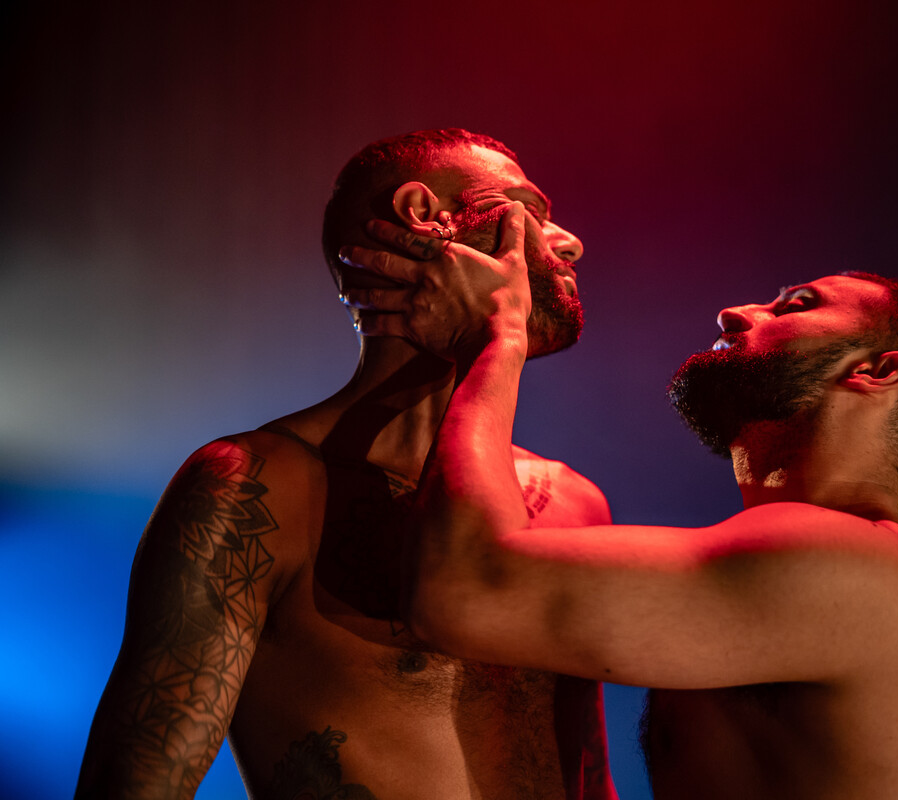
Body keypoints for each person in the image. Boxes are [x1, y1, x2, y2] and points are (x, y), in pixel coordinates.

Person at [339, 209, 898, 799]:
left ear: (877, 372)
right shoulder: (859, 570)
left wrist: (494, 337)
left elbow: (466, 590)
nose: (737, 313)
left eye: (796, 304)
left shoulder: (856, 564)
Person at [75, 130, 618, 800]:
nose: (567, 241)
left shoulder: (571, 502)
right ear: (426, 215)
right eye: (527, 210)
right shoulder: (254, 487)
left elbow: (588, 779)